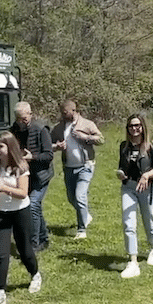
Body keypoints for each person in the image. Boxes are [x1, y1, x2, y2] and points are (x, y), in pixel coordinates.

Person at [0, 132, 42, 304]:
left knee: (24, 250)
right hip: (2, 214)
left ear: (10, 147)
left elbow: (23, 193)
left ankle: (35, 274)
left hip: (20, 212)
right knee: (1, 253)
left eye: (1, 146)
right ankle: (0, 292)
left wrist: (4, 187)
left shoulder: (20, 167)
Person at [116, 114, 153, 279]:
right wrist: (121, 174)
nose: (134, 129)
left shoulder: (149, 147)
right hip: (128, 188)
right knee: (128, 222)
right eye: (131, 126)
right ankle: (133, 261)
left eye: (137, 125)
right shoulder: (124, 147)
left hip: (146, 188)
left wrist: (147, 175)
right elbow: (122, 166)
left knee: (148, 218)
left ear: (142, 127)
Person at [51, 100, 104, 239]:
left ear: (73, 110)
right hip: (68, 167)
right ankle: (86, 215)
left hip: (85, 166)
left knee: (80, 196)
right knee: (71, 198)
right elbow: (48, 143)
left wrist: (86, 137)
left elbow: (101, 139)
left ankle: (81, 230)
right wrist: (57, 146)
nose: (62, 115)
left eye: (65, 112)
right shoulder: (59, 128)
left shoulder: (87, 124)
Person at [9, 101, 54, 252]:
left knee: (33, 204)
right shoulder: (14, 130)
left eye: (25, 118)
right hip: (25, 175)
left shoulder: (41, 129)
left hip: (41, 175)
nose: (23, 122)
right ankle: (43, 238)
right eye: (20, 118)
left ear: (30, 115)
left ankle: (33, 244)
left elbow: (48, 155)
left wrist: (31, 157)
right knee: (35, 208)